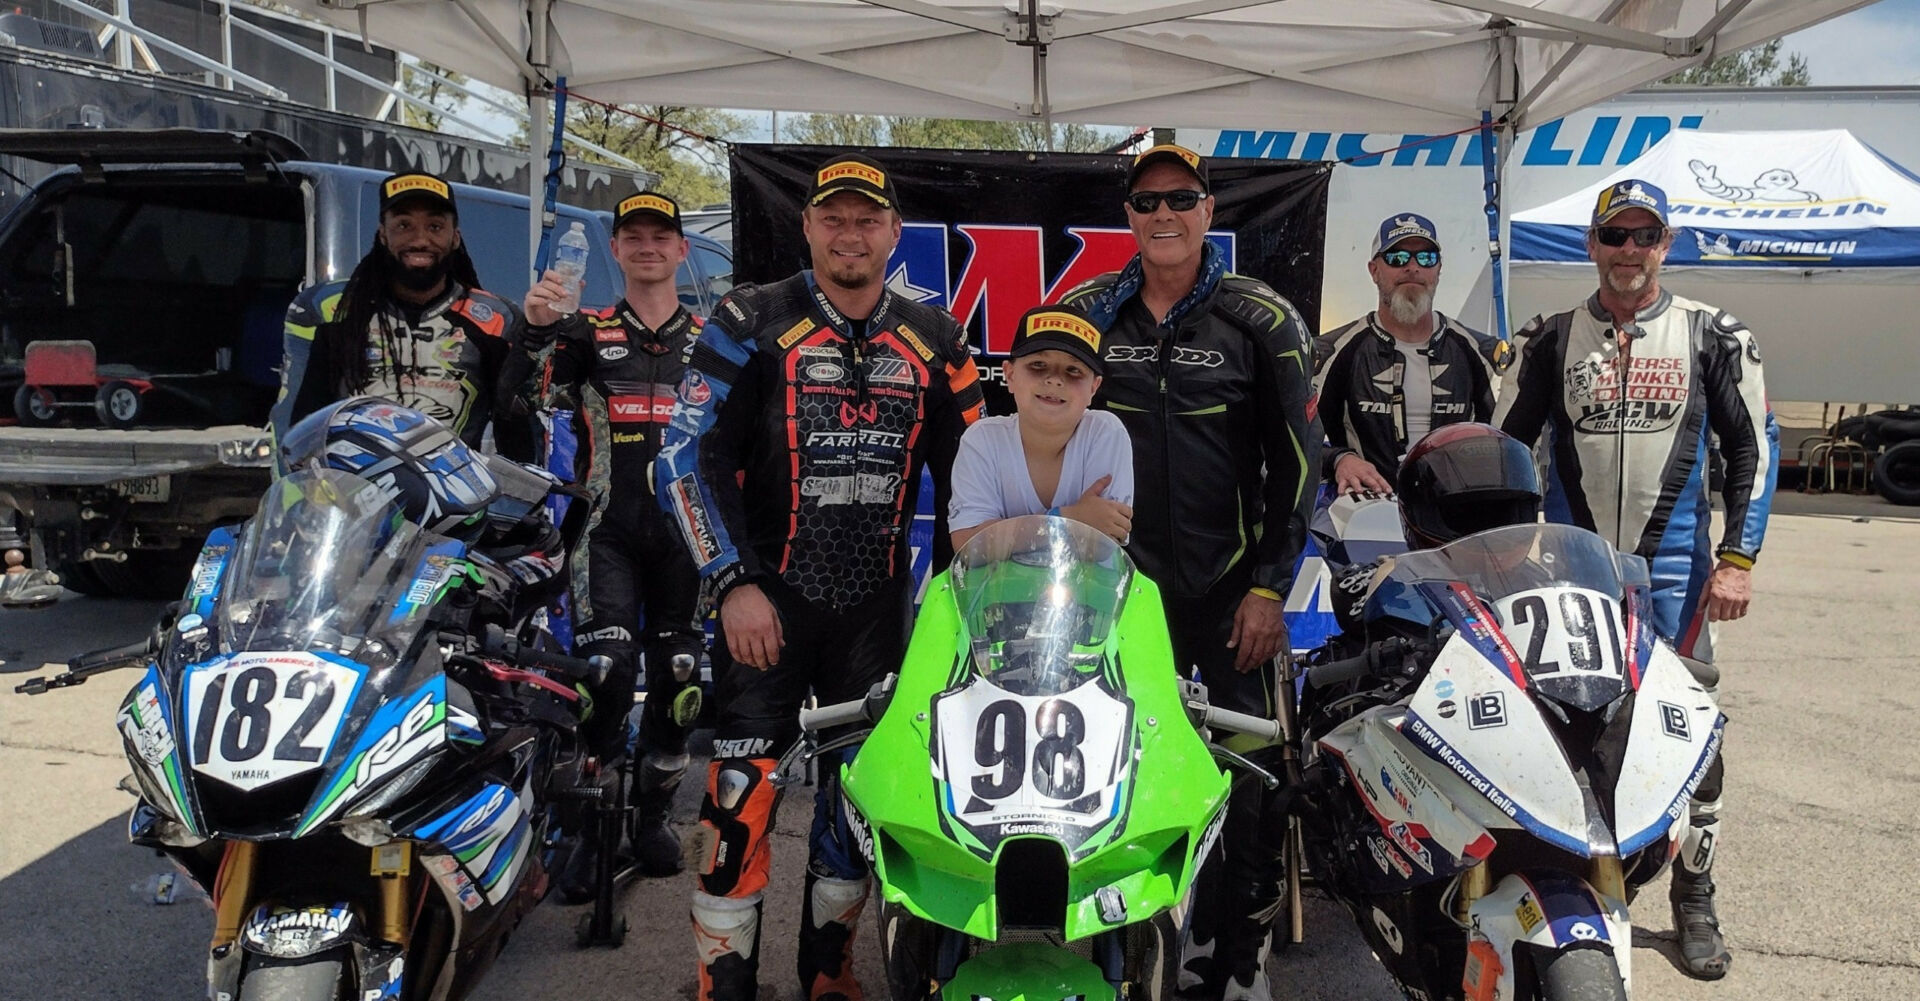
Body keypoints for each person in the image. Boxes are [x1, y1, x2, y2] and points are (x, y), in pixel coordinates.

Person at [653, 153, 985, 1001]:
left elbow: (972, 484)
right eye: (833, 217)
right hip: (765, 600)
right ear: (807, 226)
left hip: (876, 613)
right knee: (737, 793)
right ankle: (720, 977)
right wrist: (731, 582)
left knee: (858, 800)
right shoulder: (746, 317)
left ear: (892, 233)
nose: (850, 233)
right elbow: (681, 457)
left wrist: (960, 614)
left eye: (866, 219)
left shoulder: (939, 339)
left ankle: (828, 968)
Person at [1496, 178, 1778, 981]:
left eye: (1643, 236)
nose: (1629, 251)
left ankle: (1694, 892)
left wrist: (1739, 557)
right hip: (1573, 577)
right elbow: (1506, 448)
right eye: (1614, 235)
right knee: (1568, 729)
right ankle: (1577, 876)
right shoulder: (1551, 338)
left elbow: (1756, 452)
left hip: (1677, 579)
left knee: (1694, 742)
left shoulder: (1711, 334)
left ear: (1666, 244)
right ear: (1592, 244)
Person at [1057, 143, 1318, 1001]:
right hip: (1115, 599)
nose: (1163, 215)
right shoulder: (1087, 311)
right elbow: (1031, 437)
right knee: (1104, 777)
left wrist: (1271, 586)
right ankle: (1116, 950)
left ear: (1209, 209)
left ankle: (1239, 963)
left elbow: (1301, 466)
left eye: (1181, 198)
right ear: (1127, 217)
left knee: (1253, 781)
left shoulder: (1263, 318)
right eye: (1145, 202)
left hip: (1232, 594)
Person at [510, 191, 707, 889]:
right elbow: (528, 397)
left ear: (683, 251)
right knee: (604, 674)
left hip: (688, 530)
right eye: (634, 236)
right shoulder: (584, 330)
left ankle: (651, 815)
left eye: (662, 235)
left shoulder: (712, 336)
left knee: (681, 677)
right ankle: (588, 823)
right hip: (607, 532)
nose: (648, 246)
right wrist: (533, 330)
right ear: (616, 249)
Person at [282, 171, 532, 461]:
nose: (420, 240)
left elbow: (517, 429)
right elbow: (299, 428)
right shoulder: (335, 311)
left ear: (455, 238)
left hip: (455, 497)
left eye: (435, 227)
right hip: (353, 494)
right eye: (404, 225)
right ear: (383, 235)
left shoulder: (496, 320)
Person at [1313, 213, 1510, 494]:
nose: (1412, 267)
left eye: (1426, 258)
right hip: (1365, 514)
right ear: (1374, 270)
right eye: (1398, 258)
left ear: (1438, 269)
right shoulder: (1333, 351)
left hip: (1457, 510)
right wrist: (1339, 459)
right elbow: (1295, 436)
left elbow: (1509, 442)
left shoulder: (1481, 352)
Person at [948, 305, 1133, 550]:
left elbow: (1101, 545)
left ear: (1094, 388)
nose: (1055, 379)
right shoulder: (982, 439)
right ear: (1010, 375)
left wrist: (1007, 535)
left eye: (1073, 370)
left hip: (1087, 589)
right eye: (1038, 365)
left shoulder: (1105, 432)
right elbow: (969, 545)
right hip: (999, 589)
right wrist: (1069, 520)